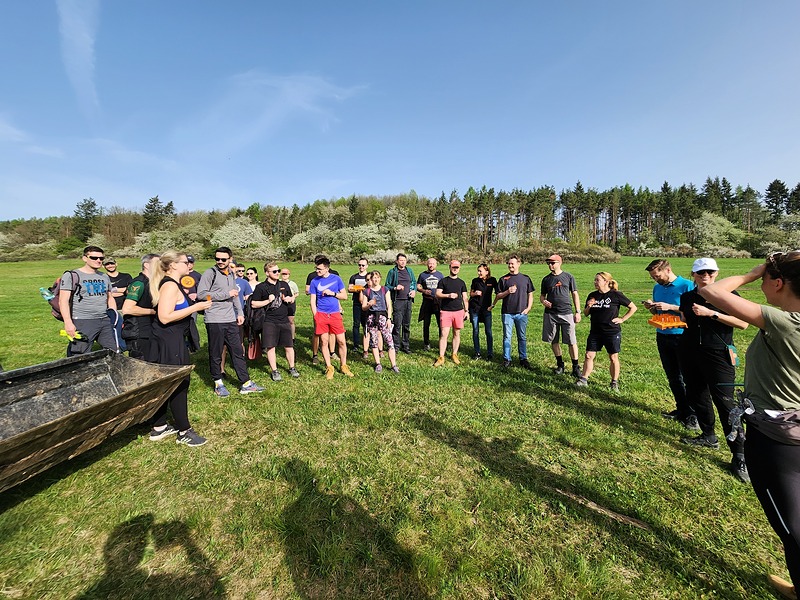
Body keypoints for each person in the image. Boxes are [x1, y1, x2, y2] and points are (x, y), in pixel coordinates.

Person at [699, 251, 800, 598]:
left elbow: (711, 292)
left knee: (791, 525)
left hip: (778, 440)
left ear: (778, 283)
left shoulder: (786, 322)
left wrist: (751, 273)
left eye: (766, 280)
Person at [678, 258, 750, 482]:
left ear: (717, 273)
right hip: (690, 351)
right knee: (697, 395)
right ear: (693, 274)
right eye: (701, 273)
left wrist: (711, 314)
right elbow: (685, 318)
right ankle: (708, 435)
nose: (706, 276)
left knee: (726, 403)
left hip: (718, 354)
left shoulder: (729, 296)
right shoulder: (687, 297)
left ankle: (740, 454)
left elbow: (743, 323)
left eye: (710, 272)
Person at [147, 251, 212, 446]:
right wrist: (195, 308)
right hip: (170, 341)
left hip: (171, 339)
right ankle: (184, 431)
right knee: (179, 383)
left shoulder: (172, 283)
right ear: (173, 265)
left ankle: (159, 426)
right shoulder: (169, 285)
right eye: (185, 262)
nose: (189, 265)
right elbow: (164, 317)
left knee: (167, 383)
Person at [197, 246, 265, 396]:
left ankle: (245, 383)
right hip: (214, 319)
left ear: (230, 259)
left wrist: (239, 313)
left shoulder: (230, 274)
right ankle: (218, 383)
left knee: (237, 351)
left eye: (223, 259)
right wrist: (225, 294)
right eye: (217, 259)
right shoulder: (210, 273)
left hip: (230, 319)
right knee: (216, 352)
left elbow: (235, 296)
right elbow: (201, 295)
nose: (220, 261)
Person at [644, 259, 697, 429]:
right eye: (653, 277)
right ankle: (681, 409)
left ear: (668, 270)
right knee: (673, 376)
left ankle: (693, 415)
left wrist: (671, 307)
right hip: (662, 335)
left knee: (688, 377)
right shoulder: (657, 288)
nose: (655, 279)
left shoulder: (687, 285)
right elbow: (658, 311)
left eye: (657, 276)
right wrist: (652, 307)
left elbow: (694, 310)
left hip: (682, 336)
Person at [575, 272, 637, 390]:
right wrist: (589, 306)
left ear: (606, 282)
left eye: (597, 280)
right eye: (595, 280)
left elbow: (633, 307)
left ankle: (614, 382)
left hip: (611, 332)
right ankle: (583, 379)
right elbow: (586, 314)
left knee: (613, 357)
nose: (595, 282)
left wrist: (622, 319)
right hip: (595, 332)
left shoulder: (616, 295)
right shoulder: (592, 295)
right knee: (588, 355)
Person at [59, 245, 119, 356]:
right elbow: (63, 301)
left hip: (104, 320)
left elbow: (110, 297)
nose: (98, 260)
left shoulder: (104, 276)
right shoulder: (72, 275)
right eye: (94, 258)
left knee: (113, 353)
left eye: (101, 258)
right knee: (80, 355)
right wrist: (68, 323)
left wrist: (114, 316)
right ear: (85, 258)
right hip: (83, 320)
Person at [251, 262, 299, 381]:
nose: (278, 273)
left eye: (278, 271)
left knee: (289, 345)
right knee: (270, 346)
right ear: (267, 273)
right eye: (274, 271)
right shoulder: (261, 287)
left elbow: (292, 298)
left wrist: (290, 299)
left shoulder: (283, 284)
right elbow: (254, 304)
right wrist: (268, 301)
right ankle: (275, 371)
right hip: (269, 321)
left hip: (284, 319)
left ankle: (292, 368)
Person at [309, 255, 354, 379]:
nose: (317, 271)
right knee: (324, 342)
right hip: (321, 314)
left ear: (327, 269)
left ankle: (343, 366)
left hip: (335, 314)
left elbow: (344, 296)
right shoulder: (314, 281)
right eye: (316, 268)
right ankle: (329, 367)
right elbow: (312, 301)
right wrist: (316, 316)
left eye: (319, 269)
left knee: (341, 341)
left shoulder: (336, 279)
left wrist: (333, 293)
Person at [540, 254, 582, 378]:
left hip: (566, 313)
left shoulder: (568, 277)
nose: (550, 265)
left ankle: (575, 367)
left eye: (552, 263)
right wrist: (543, 301)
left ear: (560, 263)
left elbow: (575, 294)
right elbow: (542, 296)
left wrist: (578, 312)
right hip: (551, 314)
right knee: (554, 340)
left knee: (571, 341)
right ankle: (560, 365)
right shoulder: (546, 279)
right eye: (548, 263)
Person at [493, 255, 535, 369]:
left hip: (521, 313)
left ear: (518, 264)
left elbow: (530, 294)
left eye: (512, 263)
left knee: (522, 337)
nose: (510, 265)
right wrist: (507, 291)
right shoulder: (503, 279)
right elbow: (498, 295)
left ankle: (523, 359)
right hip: (507, 313)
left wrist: (528, 308)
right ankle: (507, 359)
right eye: (509, 263)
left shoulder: (525, 278)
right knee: (507, 336)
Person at [121, 253, 160, 360]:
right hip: (139, 332)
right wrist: (154, 312)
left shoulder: (153, 282)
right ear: (146, 265)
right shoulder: (139, 283)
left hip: (151, 330)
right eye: (158, 263)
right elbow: (127, 309)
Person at [360, 271, 399, 373]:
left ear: (380, 278)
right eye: (374, 278)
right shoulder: (367, 291)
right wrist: (369, 304)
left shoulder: (384, 289)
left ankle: (394, 365)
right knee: (374, 342)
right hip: (371, 318)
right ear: (371, 279)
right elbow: (363, 307)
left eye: (377, 277)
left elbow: (389, 305)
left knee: (389, 341)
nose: (376, 280)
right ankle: (378, 364)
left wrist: (389, 319)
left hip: (383, 318)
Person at [433, 260, 469, 366]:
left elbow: (465, 298)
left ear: (459, 268)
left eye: (457, 267)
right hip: (446, 311)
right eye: (453, 267)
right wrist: (448, 295)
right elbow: (437, 294)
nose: (455, 269)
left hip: (459, 311)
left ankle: (454, 354)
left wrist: (466, 311)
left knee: (456, 333)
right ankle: (441, 357)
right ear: (450, 267)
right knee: (444, 334)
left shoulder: (461, 282)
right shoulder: (443, 281)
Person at [306, 256, 339, 364]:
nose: (317, 269)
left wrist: (339, 307)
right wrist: (315, 314)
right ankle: (315, 354)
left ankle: (332, 352)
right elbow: (307, 291)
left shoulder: (335, 275)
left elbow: (337, 293)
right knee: (317, 332)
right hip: (319, 309)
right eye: (316, 265)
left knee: (332, 332)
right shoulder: (312, 276)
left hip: (332, 310)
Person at [386, 253, 416, 354]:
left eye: (404, 260)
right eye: (401, 260)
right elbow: (387, 286)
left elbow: (413, 282)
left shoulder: (409, 271)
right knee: (397, 324)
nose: (403, 262)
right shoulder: (392, 272)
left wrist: (414, 291)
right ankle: (396, 345)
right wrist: (395, 288)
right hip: (398, 300)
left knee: (406, 324)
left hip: (408, 300)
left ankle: (406, 345)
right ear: (397, 261)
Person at [469, 263, 497, 360]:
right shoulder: (475, 280)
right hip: (475, 308)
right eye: (478, 271)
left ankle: (490, 353)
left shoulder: (492, 280)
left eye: (480, 271)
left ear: (487, 271)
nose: (478, 273)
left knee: (488, 331)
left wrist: (492, 305)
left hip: (486, 309)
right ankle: (477, 353)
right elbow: (471, 293)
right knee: (475, 331)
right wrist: (475, 293)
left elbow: (498, 293)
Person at [416, 258, 444, 351]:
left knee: (440, 323)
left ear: (436, 264)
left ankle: (441, 342)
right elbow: (418, 286)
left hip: (437, 302)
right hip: (427, 301)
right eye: (429, 263)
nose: (431, 265)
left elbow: (444, 287)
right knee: (426, 323)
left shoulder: (440, 275)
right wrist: (423, 290)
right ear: (427, 264)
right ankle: (426, 343)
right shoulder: (422, 275)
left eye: (433, 263)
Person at [348, 258, 370, 354]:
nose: (361, 267)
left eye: (363, 265)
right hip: (356, 303)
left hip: (367, 303)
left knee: (366, 324)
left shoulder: (369, 276)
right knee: (356, 324)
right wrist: (357, 289)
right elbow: (349, 288)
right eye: (359, 265)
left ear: (367, 266)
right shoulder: (354, 277)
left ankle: (368, 344)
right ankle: (356, 345)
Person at [281, 267, 300, 340]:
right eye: (283, 273)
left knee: (291, 321)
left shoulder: (292, 283)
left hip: (290, 303)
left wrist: (292, 297)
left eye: (286, 274)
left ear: (289, 274)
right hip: (281, 303)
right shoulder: (278, 283)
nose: (284, 275)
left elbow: (297, 293)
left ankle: (292, 337)